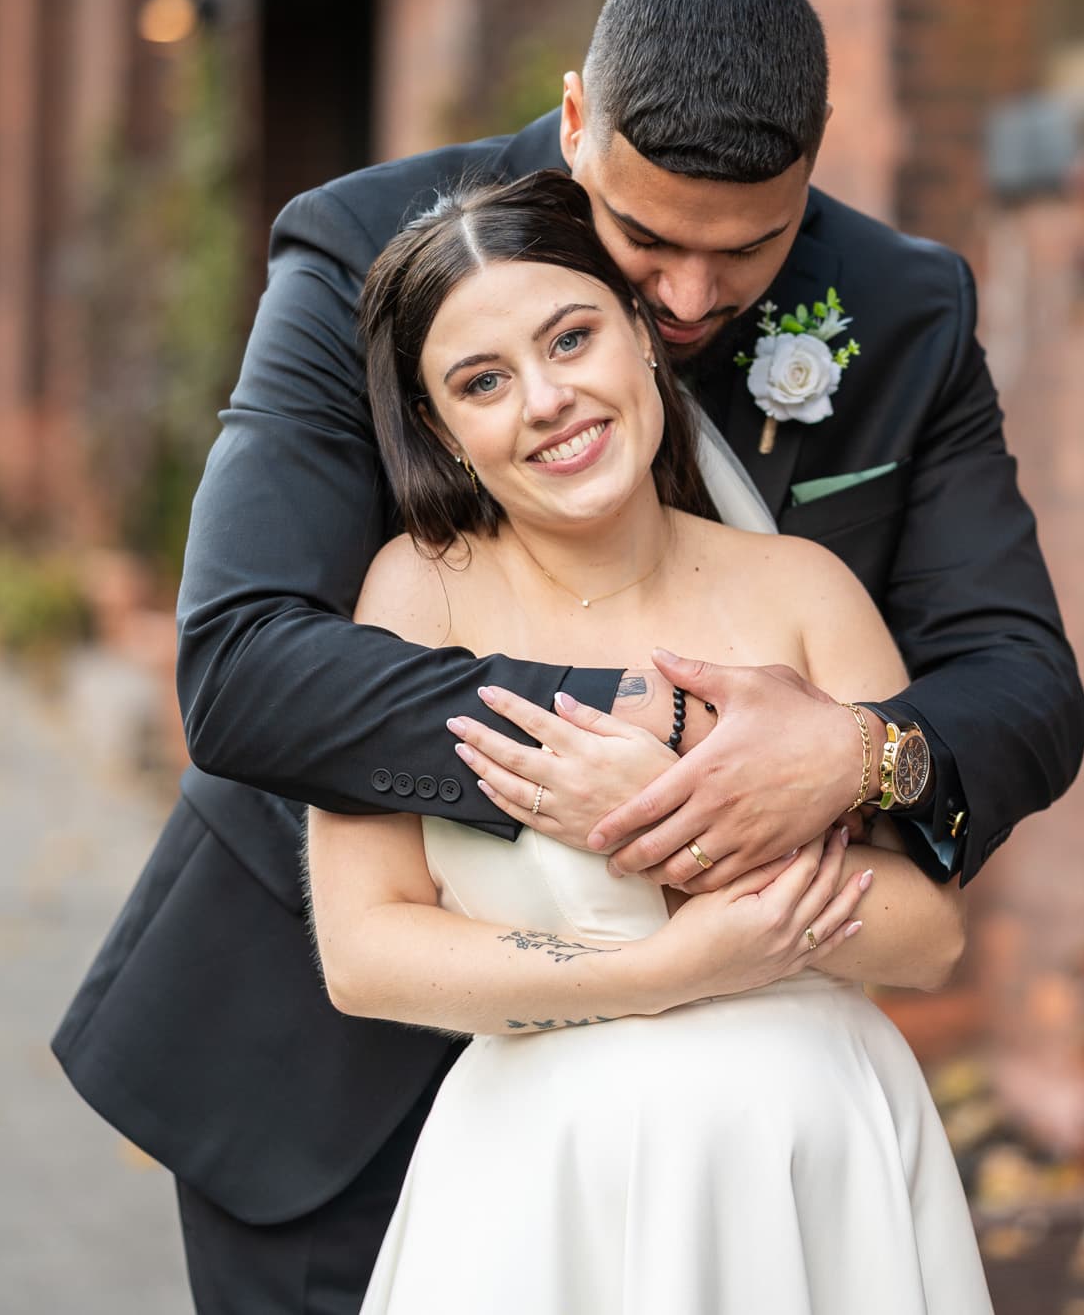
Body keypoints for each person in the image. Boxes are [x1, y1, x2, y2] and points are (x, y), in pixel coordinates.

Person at [51, 0, 1084, 1315]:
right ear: (577, 120)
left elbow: (1021, 686)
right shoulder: (366, 247)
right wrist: (660, 743)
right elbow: (244, 662)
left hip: (737, 1140)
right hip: (335, 1073)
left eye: (749, 249)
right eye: (646, 244)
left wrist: (859, 758)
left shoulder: (903, 315)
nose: (691, 302)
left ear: (818, 159)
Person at [311, 169, 991, 1312]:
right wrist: (666, 968)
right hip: (547, 1192)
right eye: (483, 380)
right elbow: (366, 952)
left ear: (639, 334)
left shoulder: (803, 591)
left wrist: (683, 835)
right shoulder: (418, 599)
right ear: (442, 429)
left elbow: (926, 933)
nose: (546, 399)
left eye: (570, 338)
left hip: (811, 1172)